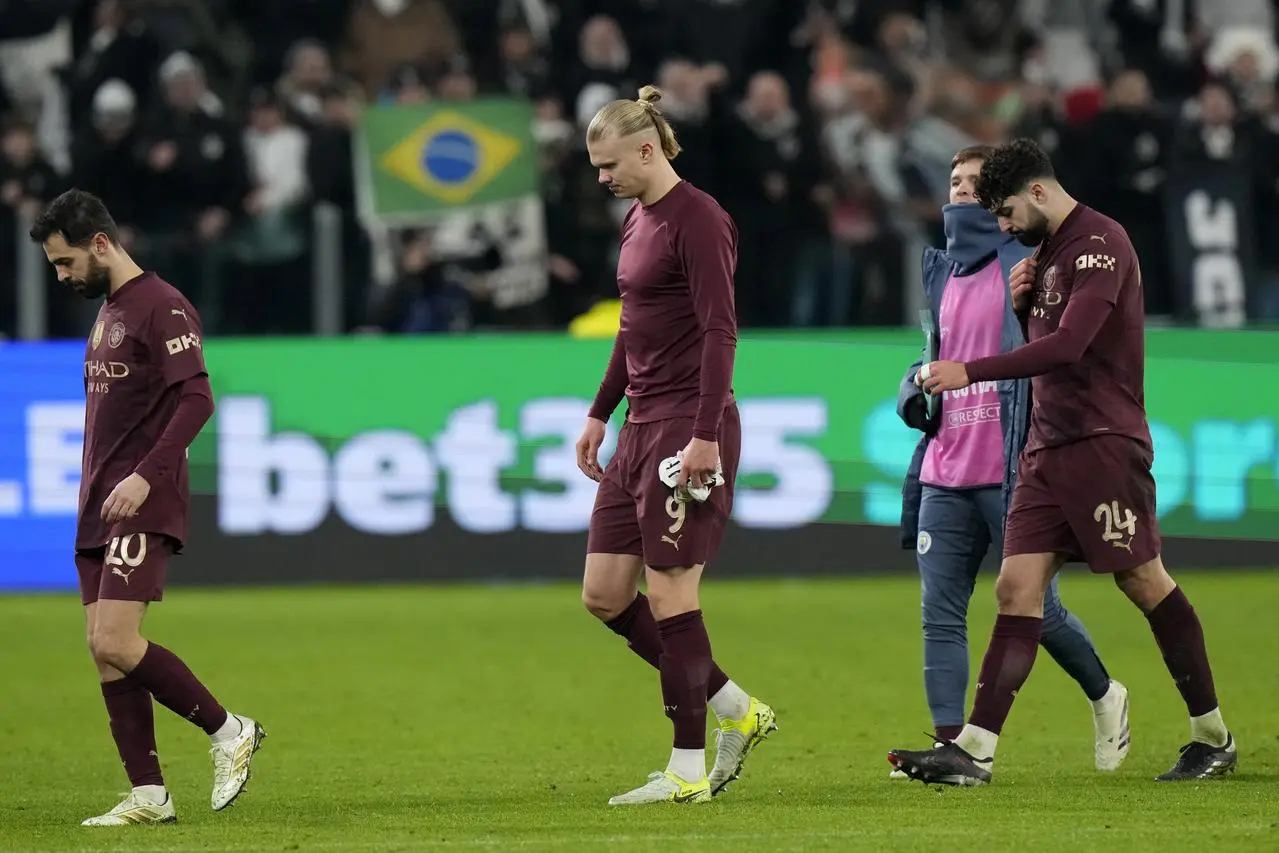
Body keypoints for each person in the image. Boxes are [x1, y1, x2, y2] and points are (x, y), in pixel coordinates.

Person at [889, 139, 1236, 786]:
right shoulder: (1044, 255)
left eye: (1007, 212)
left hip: (1101, 443)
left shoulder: (1099, 244)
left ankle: (1210, 733)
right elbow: (1045, 347)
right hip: (1046, 448)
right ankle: (973, 750)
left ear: (1039, 193)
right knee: (1016, 589)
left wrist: (970, 370)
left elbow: (1072, 348)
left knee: (1142, 582)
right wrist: (1023, 314)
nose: (1001, 227)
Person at [29, 189, 266, 825]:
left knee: (116, 637)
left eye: (64, 262)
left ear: (100, 244)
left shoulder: (162, 306)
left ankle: (229, 729)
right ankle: (148, 795)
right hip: (100, 502)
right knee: (100, 646)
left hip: (142, 496)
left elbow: (197, 399)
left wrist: (142, 476)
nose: (61, 276)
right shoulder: (111, 309)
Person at [896, 145, 1128, 779]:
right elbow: (936, 348)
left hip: (1009, 464)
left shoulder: (1027, 262)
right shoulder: (940, 268)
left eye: (974, 185)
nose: (962, 195)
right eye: (954, 183)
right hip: (946, 465)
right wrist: (910, 383)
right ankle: (950, 748)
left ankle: (1106, 694)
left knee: (1036, 610)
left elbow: (1050, 353)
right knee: (939, 614)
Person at [574, 85, 776, 806]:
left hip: (686, 425)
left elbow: (720, 328)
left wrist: (703, 434)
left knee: (668, 593)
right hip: (638, 425)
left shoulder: (697, 217)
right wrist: (601, 412)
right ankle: (737, 711)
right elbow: (633, 326)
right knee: (603, 593)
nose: (602, 178)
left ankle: (687, 768)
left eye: (608, 165)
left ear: (647, 149)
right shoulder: (638, 219)